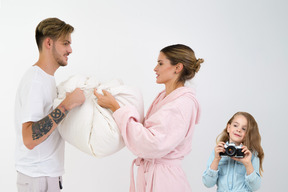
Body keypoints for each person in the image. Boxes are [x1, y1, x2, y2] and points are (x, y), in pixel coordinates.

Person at [94, 44, 203, 192]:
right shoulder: (165, 97)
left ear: (177, 68)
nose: (155, 68)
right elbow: (146, 132)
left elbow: (152, 143)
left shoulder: (181, 104)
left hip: (165, 182)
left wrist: (116, 108)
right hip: (154, 175)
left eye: (160, 63)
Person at [14, 17, 85, 192]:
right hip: (37, 178)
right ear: (48, 43)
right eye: (65, 43)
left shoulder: (46, 80)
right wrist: (66, 105)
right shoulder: (35, 81)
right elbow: (29, 138)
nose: (70, 50)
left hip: (44, 176)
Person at [202, 112, 264, 191]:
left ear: (248, 134)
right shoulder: (219, 151)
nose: (238, 130)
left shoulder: (251, 154)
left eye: (244, 129)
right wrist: (216, 160)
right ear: (228, 127)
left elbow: (255, 187)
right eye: (235, 125)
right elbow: (208, 183)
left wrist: (248, 164)